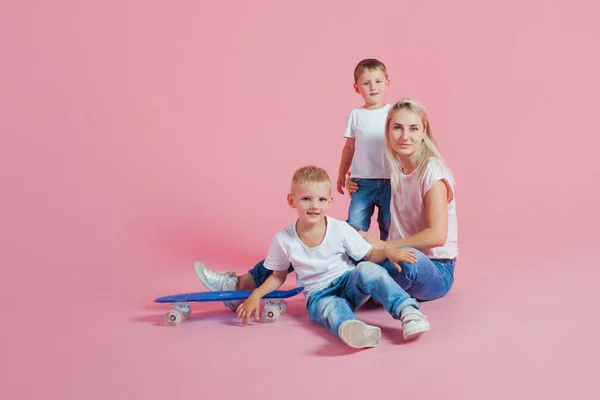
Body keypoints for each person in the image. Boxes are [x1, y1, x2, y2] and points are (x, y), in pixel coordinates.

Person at [195, 98, 458, 312]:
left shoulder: (432, 172)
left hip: (434, 268)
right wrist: (352, 180)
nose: (405, 136)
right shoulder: (396, 166)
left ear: (425, 133)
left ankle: (345, 296)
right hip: (393, 253)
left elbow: (437, 236)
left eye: (414, 128)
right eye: (397, 127)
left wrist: (384, 246)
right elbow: (363, 166)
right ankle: (239, 284)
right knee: (324, 235)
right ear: (387, 131)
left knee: (400, 264)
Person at [201, 165, 430, 348]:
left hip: (348, 282)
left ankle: (408, 312)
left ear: (330, 202)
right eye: (306, 199)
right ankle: (351, 328)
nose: (314, 206)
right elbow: (278, 276)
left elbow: (369, 254)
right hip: (318, 295)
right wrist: (255, 295)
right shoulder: (284, 239)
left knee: (368, 270)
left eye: (321, 200)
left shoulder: (340, 229)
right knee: (332, 309)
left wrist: (388, 250)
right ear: (292, 201)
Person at [337, 58, 392, 240]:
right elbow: (349, 147)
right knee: (355, 225)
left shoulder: (393, 113)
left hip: (390, 180)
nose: (373, 87)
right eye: (366, 83)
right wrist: (342, 175)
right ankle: (355, 263)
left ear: (387, 83)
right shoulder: (356, 115)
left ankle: (389, 262)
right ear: (356, 88)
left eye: (377, 81)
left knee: (389, 225)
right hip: (362, 182)